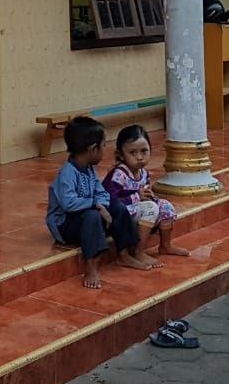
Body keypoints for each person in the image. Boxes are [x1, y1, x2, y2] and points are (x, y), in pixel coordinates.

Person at [45, 115, 140, 289]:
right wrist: (96, 205)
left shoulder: (89, 169)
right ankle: (91, 266)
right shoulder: (67, 173)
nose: (105, 149)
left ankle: (124, 254)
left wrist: (103, 205)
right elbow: (68, 203)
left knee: (117, 206)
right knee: (91, 215)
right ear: (92, 149)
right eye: (103, 146)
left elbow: (101, 192)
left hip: (87, 217)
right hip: (65, 226)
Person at [103, 124, 189, 269]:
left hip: (137, 210)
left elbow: (146, 194)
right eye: (132, 152)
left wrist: (150, 197)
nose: (140, 157)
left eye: (144, 151)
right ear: (120, 154)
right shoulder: (119, 174)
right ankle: (138, 251)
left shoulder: (144, 173)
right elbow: (110, 201)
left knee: (165, 206)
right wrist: (137, 197)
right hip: (121, 216)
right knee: (150, 209)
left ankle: (165, 245)